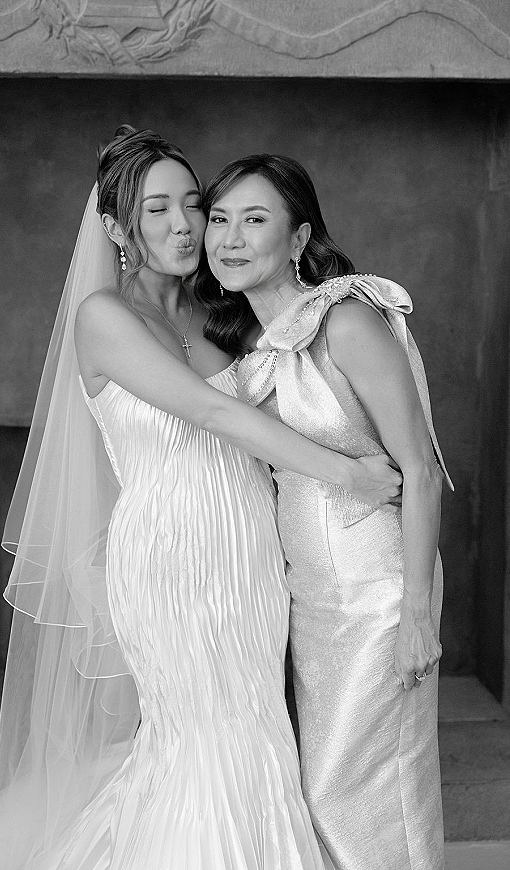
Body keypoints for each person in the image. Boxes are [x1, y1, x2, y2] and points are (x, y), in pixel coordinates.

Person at [0, 129, 402, 870]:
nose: (184, 225)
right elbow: (213, 413)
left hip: (250, 552)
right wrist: (351, 476)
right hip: (168, 556)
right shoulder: (103, 317)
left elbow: (292, 399)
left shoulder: (221, 313)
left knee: (256, 726)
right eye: (157, 209)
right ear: (116, 228)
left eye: (193, 204)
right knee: (200, 735)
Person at [198, 153, 454, 870]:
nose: (231, 238)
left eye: (255, 219)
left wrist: (415, 614)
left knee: (366, 788)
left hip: (378, 586)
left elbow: (422, 472)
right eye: (219, 219)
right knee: (322, 788)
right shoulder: (246, 343)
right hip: (310, 590)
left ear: (300, 236)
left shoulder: (345, 321)